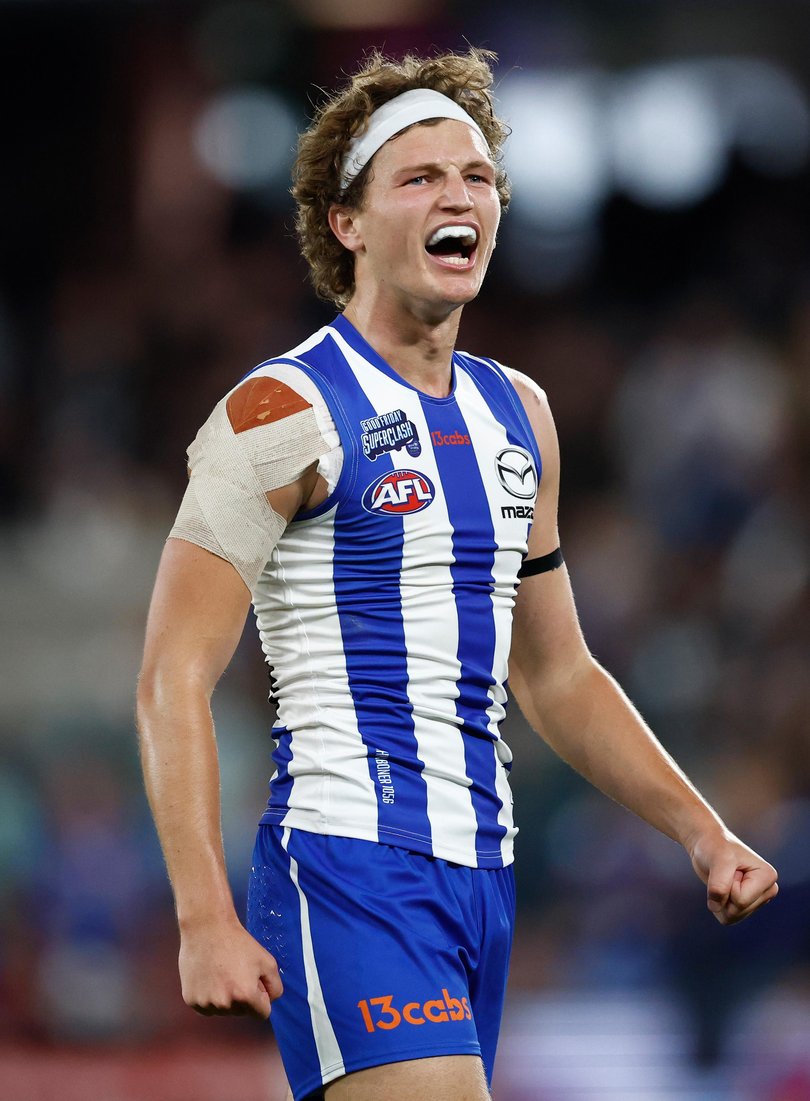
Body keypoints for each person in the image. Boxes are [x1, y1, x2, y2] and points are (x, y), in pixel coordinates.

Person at [136, 48, 779, 1101]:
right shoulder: (278, 414)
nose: (459, 196)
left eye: (477, 176)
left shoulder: (519, 413)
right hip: (348, 861)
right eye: (421, 177)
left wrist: (701, 832)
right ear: (346, 223)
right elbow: (172, 676)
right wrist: (204, 914)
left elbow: (557, 674)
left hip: (483, 876)